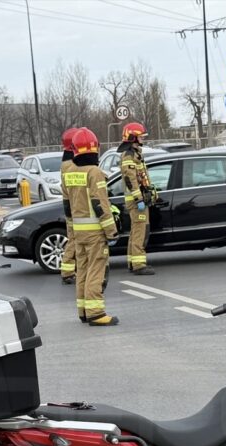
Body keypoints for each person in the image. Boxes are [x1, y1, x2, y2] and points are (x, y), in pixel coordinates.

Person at [65, 127, 118, 326]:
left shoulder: (69, 172)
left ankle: (83, 311)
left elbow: (66, 205)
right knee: (96, 270)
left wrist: (71, 230)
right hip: (95, 232)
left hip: (78, 232)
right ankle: (96, 313)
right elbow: (100, 203)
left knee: (83, 271)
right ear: (95, 148)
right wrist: (111, 231)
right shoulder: (94, 172)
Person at [118, 121, 156, 276]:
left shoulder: (135, 153)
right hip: (136, 200)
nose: (143, 139)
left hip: (139, 198)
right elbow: (130, 179)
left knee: (136, 231)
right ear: (133, 137)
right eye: (141, 136)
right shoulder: (129, 155)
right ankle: (139, 265)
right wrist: (139, 199)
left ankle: (132, 262)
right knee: (140, 231)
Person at [59, 127, 78, 285]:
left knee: (74, 237)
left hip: (70, 205)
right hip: (73, 206)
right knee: (74, 238)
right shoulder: (70, 165)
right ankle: (67, 271)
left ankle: (69, 269)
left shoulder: (66, 163)